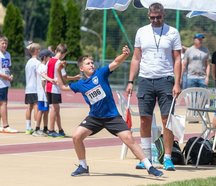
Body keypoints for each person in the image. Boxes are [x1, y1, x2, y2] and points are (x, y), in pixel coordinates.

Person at [56, 46, 163, 177]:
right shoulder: (80, 84)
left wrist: (124, 55)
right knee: (76, 137)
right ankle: (83, 166)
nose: (91, 65)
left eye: (91, 62)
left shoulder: (100, 73)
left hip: (112, 116)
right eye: (87, 63)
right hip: (95, 117)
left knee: (128, 138)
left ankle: (149, 167)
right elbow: (62, 86)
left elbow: (116, 62)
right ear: (81, 68)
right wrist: (58, 70)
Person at [126, 3, 182, 171]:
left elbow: (178, 59)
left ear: (164, 15)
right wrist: (130, 81)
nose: (156, 20)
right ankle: (146, 157)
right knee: (144, 119)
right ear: (148, 16)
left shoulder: (173, 32)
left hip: (165, 79)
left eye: (159, 17)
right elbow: (136, 58)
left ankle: (167, 157)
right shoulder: (141, 32)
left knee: (167, 120)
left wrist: (177, 82)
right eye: (152, 17)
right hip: (144, 79)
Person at [46, 43, 80, 138]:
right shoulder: (59, 63)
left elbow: (45, 73)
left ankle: (60, 129)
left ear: (56, 51)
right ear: (64, 54)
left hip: (48, 87)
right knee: (54, 109)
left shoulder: (49, 61)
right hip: (55, 88)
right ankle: (51, 130)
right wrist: (75, 77)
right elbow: (64, 78)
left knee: (56, 109)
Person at [32, 49, 55, 137]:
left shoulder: (41, 66)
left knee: (46, 111)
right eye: (50, 57)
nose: (51, 58)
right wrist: (46, 93)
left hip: (43, 93)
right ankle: (37, 129)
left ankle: (45, 128)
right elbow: (43, 81)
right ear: (45, 57)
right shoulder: (43, 67)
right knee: (41, 111)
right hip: (43, 93)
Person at [0, 35, 18, 133]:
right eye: (2, 43)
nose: (4, 45)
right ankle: (6, 126)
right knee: (3, 103)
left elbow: (7, 68)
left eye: (6, 43)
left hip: (5, 82)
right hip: (1, 82)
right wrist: (5, 77)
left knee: (2, 103)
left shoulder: (8, 54)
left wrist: (10, 75)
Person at [24, 43, 40, 135]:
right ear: (36, 51)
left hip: (28, 88)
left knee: (29, 107)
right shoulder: (37, 63)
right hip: (35, 88)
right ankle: (36, 127)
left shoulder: (28, 62)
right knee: (36, 106)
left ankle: (28, 127)